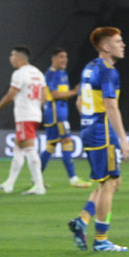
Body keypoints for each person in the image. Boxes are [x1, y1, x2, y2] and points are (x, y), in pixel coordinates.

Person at [68, 27, 129, 252]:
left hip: (89, 128)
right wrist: (123, 140)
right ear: (105, 47)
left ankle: (82, 220)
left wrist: (89, 120)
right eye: (118, 41)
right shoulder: (108, 71)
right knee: (108, 183)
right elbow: (111, 106)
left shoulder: (89, 67)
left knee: (111, 182)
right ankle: (101, 240)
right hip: (102, 131)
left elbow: (78, 103)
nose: (122, 44)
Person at [0, 46, 47, 195]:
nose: (10, 58)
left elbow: (11, 95)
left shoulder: (19, 74)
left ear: (19, 57)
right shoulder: (38, 73)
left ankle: (39, 186)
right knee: (18, 148)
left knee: (29, 149)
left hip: (25, 116)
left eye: (12, 55)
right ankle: (9, 184)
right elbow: (45, 96)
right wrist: (35, 107)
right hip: (35, 113)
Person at [41, 48, 91, 188]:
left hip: (58, 113)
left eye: (66, 56)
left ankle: (36, 178)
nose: (64, 59)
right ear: (53, 58)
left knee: (50, 147)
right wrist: (74, 92)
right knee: (67, 142)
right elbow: (55, 94)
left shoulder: (62, 73)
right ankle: (73, 179)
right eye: (61, 56)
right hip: (56, 115)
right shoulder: (52, 73)